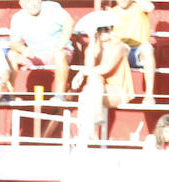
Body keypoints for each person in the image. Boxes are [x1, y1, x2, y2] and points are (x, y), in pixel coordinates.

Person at [72, 12, 133, 141]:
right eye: (100, 30)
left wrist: (82, 73)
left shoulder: (119, 46)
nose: (103, 32)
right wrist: (92, 41)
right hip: (98, 92)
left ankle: (88, 132)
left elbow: (106, 68)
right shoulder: (95, 47)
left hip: (118, 91)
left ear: (112, 31)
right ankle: (90, 132)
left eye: (107, 29)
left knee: (92, 83)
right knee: (88, 89)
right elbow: (89, 67)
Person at [8, 0, 75, 102]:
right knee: (11, 55)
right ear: (21, 4)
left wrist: (61, 44)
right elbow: (13, 43)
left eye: (35, 1)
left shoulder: (52, 7)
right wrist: (23, 49)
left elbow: (69, 22)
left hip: (57, 52)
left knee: (59, 54)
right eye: (27, 2)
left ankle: (59, 96)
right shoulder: (17, 17)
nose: (32, 4)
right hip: (34, 55)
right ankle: (10, 95)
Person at [111, 0, 156, 105]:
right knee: (115, 47)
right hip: (120, 51)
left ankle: (149, 95)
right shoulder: (112, 13)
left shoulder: (139, 7)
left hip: (138, 50)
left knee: (147, 48)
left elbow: (150, 7)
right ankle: (118, 94)